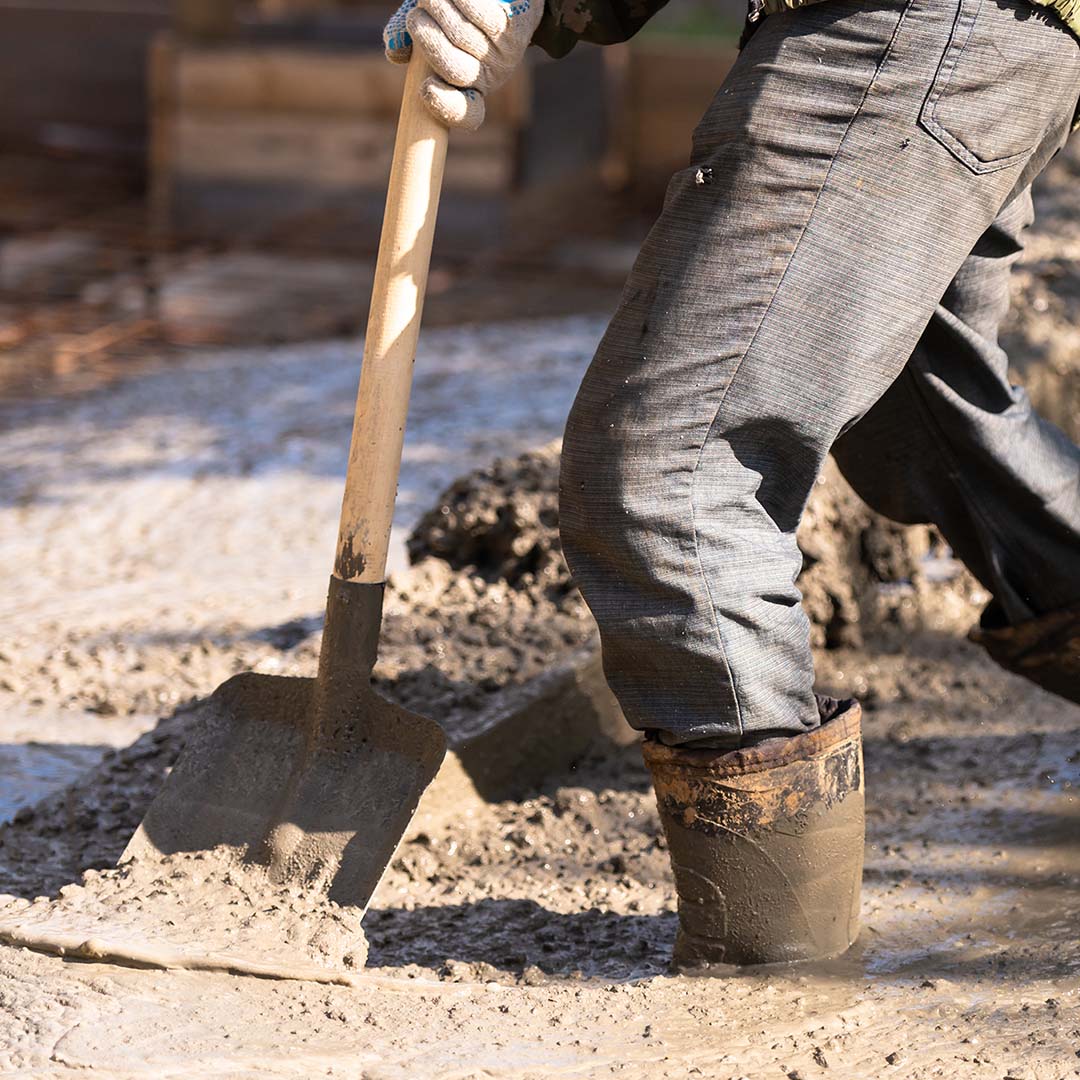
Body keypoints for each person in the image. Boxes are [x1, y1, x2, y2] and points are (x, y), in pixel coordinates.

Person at [384, 0, 1080, 968]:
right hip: (1001, 37)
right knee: (919, 417)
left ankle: (775, 976)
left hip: (904, 22)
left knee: (668, 473)